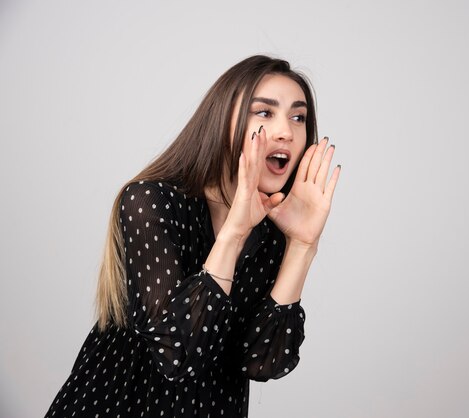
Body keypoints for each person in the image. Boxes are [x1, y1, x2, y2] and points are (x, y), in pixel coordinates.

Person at [45, 55, 340, 418]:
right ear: (223, 121)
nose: (286, 132)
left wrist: (303, 245)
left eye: (298, 117)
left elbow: (263, 362)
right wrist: (234, 232)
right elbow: (177, 354)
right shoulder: (150, 201)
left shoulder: (275, 230)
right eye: (264, 113)